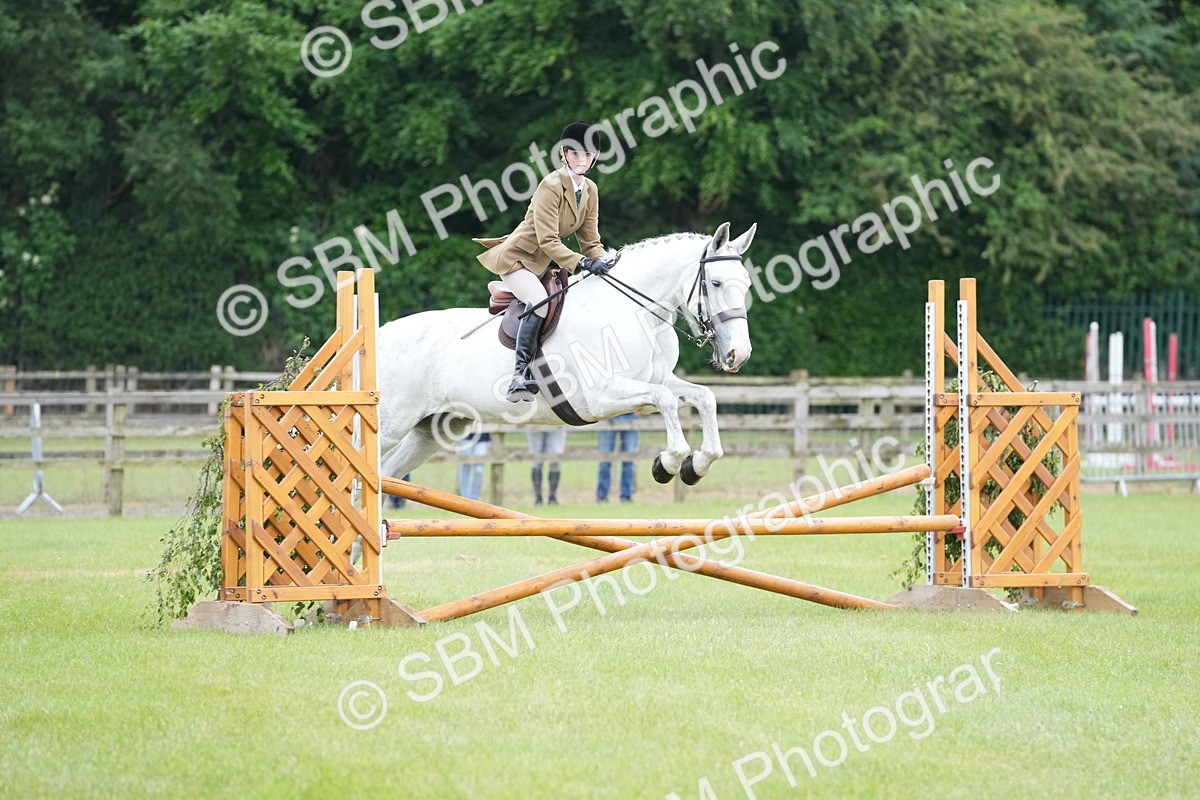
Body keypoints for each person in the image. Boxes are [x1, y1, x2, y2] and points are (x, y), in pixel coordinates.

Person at [475, 121, 615, 402]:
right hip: (519, 259)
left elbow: (590, 242)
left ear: (594, 158)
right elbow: (547, 240)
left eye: (586, 155)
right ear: (564, 154)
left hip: (548, 262)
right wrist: (583, 263)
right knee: (539, 301)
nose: (580, 160)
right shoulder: (550, 185)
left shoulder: (590, 190)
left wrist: (609, 262)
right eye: (574, 153)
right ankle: (518, 375)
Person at [597, 413, 639, 503]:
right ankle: (602, 497)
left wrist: (638, 410)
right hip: (608, 414)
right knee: (604, 460)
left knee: (629, 460)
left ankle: (627, 497)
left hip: (630, 414)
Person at [527, 428, 567, 505]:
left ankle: (552, 496)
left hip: (557, 424)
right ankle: (538, 497)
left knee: (555, 460)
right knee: (536, 460)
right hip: (535, 424)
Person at [456, 432, 490, 502]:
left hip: (482, 435)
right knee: (465, 467)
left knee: (479, 470)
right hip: (464, 435)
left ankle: (474, 499)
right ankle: (464, 498)